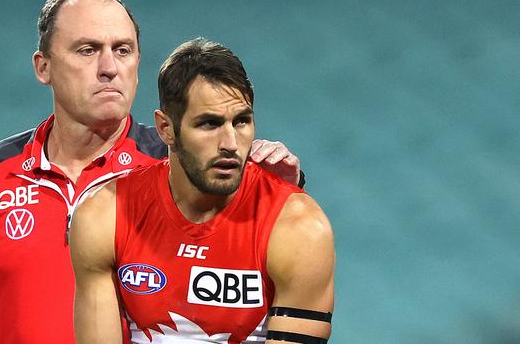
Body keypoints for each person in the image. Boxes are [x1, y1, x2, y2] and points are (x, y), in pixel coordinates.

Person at [0, 0, 305, 344]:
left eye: (123, 50)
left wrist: (273, 193)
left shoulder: (182, 167)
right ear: (44, 67)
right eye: (87, 50)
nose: (109, 68)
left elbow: (256, 283)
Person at [70, 38, 335, 343]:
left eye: (242, 121)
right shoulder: (105, 215)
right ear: (166, 128)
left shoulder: (299, 229)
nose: (230, 143)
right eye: (209, 124)